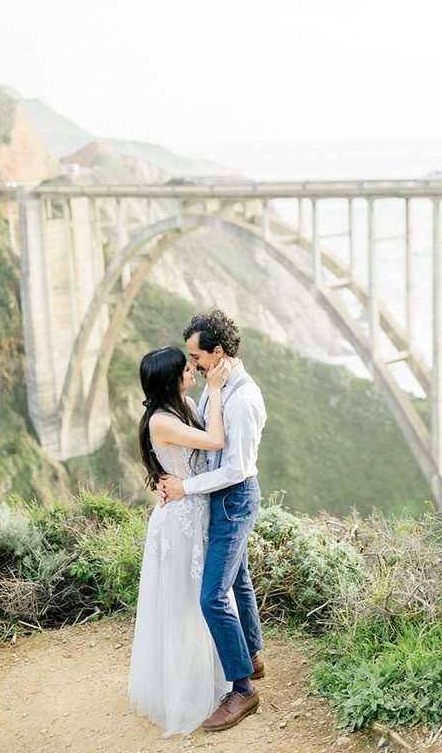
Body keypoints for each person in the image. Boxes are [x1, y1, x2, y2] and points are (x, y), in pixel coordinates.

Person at [158, 310, 267, 732]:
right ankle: (252, 656)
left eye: (195, 355)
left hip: (233, 499)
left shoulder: (244, 398)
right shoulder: (218, 387)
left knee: (212, 596)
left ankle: (242, 690)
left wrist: (186, 488)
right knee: (238, 577)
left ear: (217, 352)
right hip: (217, 499)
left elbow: (236, 469)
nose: (192, 364)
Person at [127, 345, 233, 737]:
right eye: (185, 367)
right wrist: (219, 389)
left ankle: (213, 673)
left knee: (199, 597)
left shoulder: (181, 405)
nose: (192, 369)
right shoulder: (161, 421)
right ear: (170, 380)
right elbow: (217, 440)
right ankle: (186, 689)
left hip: (192, 510)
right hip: (180, 523)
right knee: (185, 601)